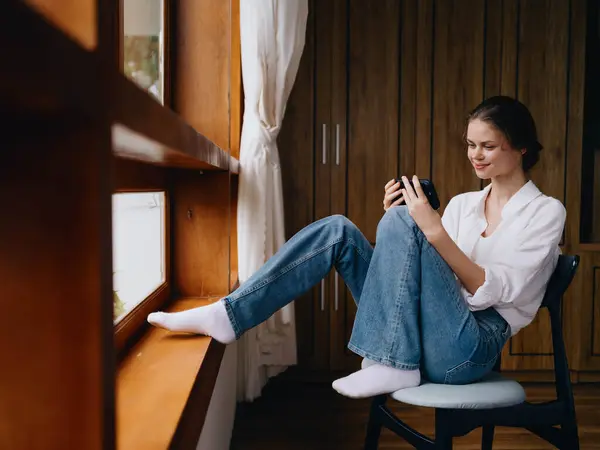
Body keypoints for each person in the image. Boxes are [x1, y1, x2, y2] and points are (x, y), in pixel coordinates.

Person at [147, 96, 566, 399]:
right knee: (340, 230)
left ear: (522, 146)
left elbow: (494, 290)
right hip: (420, 328)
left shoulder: (545, 212)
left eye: (488, 146)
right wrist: (403, 226)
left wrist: (428, 230)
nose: (476, 155)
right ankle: (229, 314)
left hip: (470, 347)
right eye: (471, 145)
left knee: (407, 221)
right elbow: (428, 273)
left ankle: (392, 364)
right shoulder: (464, 204)